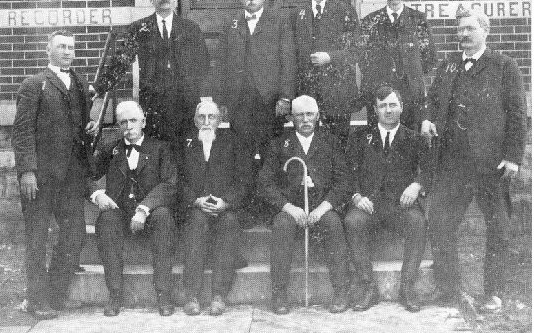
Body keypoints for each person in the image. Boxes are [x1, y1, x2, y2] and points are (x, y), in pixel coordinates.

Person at [422, 7, 527, 313]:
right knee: (440, 222)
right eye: (460, 29)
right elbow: (433, 101)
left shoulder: (504, 66)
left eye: (470, 29)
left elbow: (517, 114)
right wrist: (427, 119)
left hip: (489, 165)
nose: (464, 34)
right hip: (452, 164)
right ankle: (448, 289)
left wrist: (512, 157)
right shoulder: (449, 66)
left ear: (485, 31)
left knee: (497, 227)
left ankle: (493, 292)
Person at [11, 29, 94, 319]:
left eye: (71, 47)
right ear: (48, 50)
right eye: (61, 47)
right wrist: (27, 171)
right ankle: (36, 300)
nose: (67, 52)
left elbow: (78, 123)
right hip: (41, 177)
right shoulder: (35, 84)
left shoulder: (79, 82)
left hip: (71, 176)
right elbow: (22, 130)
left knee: (75, 232)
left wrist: (89, 127)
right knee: (37, 237)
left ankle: (55, 295)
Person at [258, 95, 352, 314]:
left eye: (310, 114)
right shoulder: (279, 144)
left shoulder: (331, 142)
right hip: (291, 208)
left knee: (334, 224)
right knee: (282, 225)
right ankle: (279, 293)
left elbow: (343, 181)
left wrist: (323, 208)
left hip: (321, 207)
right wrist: (288, 207)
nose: (306, 119)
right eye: (300, 115)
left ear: (317, 116)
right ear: (291, 118)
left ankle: (341, 290)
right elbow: (265, 182)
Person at [95, 0, 210, 148]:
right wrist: (100, 87)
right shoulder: (139, 28)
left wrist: (197, 93)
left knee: (184, 151)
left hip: (184, 102)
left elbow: (203, 63)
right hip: (153, 103)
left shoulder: (190, 28)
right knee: (154, 151)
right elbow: (122, 60)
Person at [344, 86, 430, 312]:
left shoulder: (414, 139)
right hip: (369, 205)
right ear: (375, 110)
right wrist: (356, 196)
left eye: (393, 105)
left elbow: (429, 169)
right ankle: (368, 287)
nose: (388, 110)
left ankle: (407, 287)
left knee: (418, 222)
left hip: (401, 205)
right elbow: (347, 173)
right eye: (382, 106)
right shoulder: (360, 138)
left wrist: (416, 185)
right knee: (352, 221)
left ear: (401, 107)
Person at [90, 101, 177, 317]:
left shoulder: (160, 148)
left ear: (143, 122)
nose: (129, 126)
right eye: (123, 122)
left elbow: (170, 184)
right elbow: (87, 175)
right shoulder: (110, 149)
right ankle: (115, 294)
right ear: (118, 126)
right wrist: (98, 194)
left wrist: (144, 208)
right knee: (106, 220)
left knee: (164, 216)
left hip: (150, 212)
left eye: (133, 120)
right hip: (121, 212)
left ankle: (163, 294)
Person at [178, 101, 253, 316]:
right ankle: (192, 295)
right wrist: (196, 201)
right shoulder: (185, 144)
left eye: (211, 117)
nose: (206, 122)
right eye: (201, 117)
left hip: (225, 206)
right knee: (196, 222)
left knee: (229, 222)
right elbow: (177, 180)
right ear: (195, 121)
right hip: (196, 206)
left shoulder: (233, 143)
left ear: (220, 120)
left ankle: (219, 295)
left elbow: (244, 180)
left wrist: (226, 202)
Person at [211, 0, 296, 165]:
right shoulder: (230, 23)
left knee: (272, 155)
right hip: (239, 101)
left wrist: (285, 97)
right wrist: (221, 101)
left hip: (270, 101)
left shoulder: (279, 21)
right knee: (242, 157)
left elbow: (288, 61)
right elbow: (221, 64)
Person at [359, 0, 437, 131]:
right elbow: (363, 60)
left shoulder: (418, 20)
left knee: (410, 139)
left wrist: (410, 74)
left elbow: (429, 59)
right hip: (380, 97)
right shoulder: (371, 21)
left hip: (411, 97)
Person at [291, 0, 360, 144]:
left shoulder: (345, 11)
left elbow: (356, 51)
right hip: (308, 92)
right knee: (308, 143)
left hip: (337, 92)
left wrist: (330, 57)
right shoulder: (298, 14)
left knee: (337, 143)